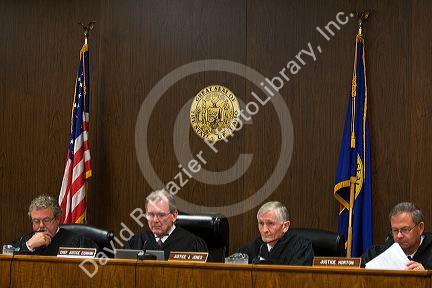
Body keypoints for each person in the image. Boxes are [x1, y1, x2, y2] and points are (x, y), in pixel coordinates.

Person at [127, 189, 208, 260]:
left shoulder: (192, 244)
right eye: (151, 215)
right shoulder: (137, 242)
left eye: (161, 215)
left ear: (174, 215)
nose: (155, 220)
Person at [13, 195, 98, 255]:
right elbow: (8, 261)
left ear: (57, 219)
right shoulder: (25, 240)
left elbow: (95, 267)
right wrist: (29, 246)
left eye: (46, 220)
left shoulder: (78, 242)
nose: (41, 225)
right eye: (36, 221)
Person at [238, 201, 314, 265]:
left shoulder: (301, 247)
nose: (264, 230)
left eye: (270, 223)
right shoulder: (249, 249)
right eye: (261, 223)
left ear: (285, 226)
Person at [361, 202, 432, 270]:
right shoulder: (376, 254)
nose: (399, 235)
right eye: (395, 230)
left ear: (420, 228)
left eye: (405, 229)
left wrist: (426, 275)